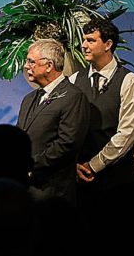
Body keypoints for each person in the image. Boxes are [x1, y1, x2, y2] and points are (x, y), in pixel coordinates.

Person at [69, 18, 134, 192]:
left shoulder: (128, 81)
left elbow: (127, 133)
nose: (84, 45)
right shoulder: (74, 79)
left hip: (116, 180)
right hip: (79, 177)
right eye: (83, 40)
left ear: (108, 44)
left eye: (91, 40)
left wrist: (93, 165)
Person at [15, 38, 89, 204]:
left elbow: (67, 143)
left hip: (52, 193)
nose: (26, 66)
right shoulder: (29, 99)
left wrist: (31, 167)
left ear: (49, 65)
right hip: (25, 191)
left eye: (31, 61)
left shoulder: (73, 97)